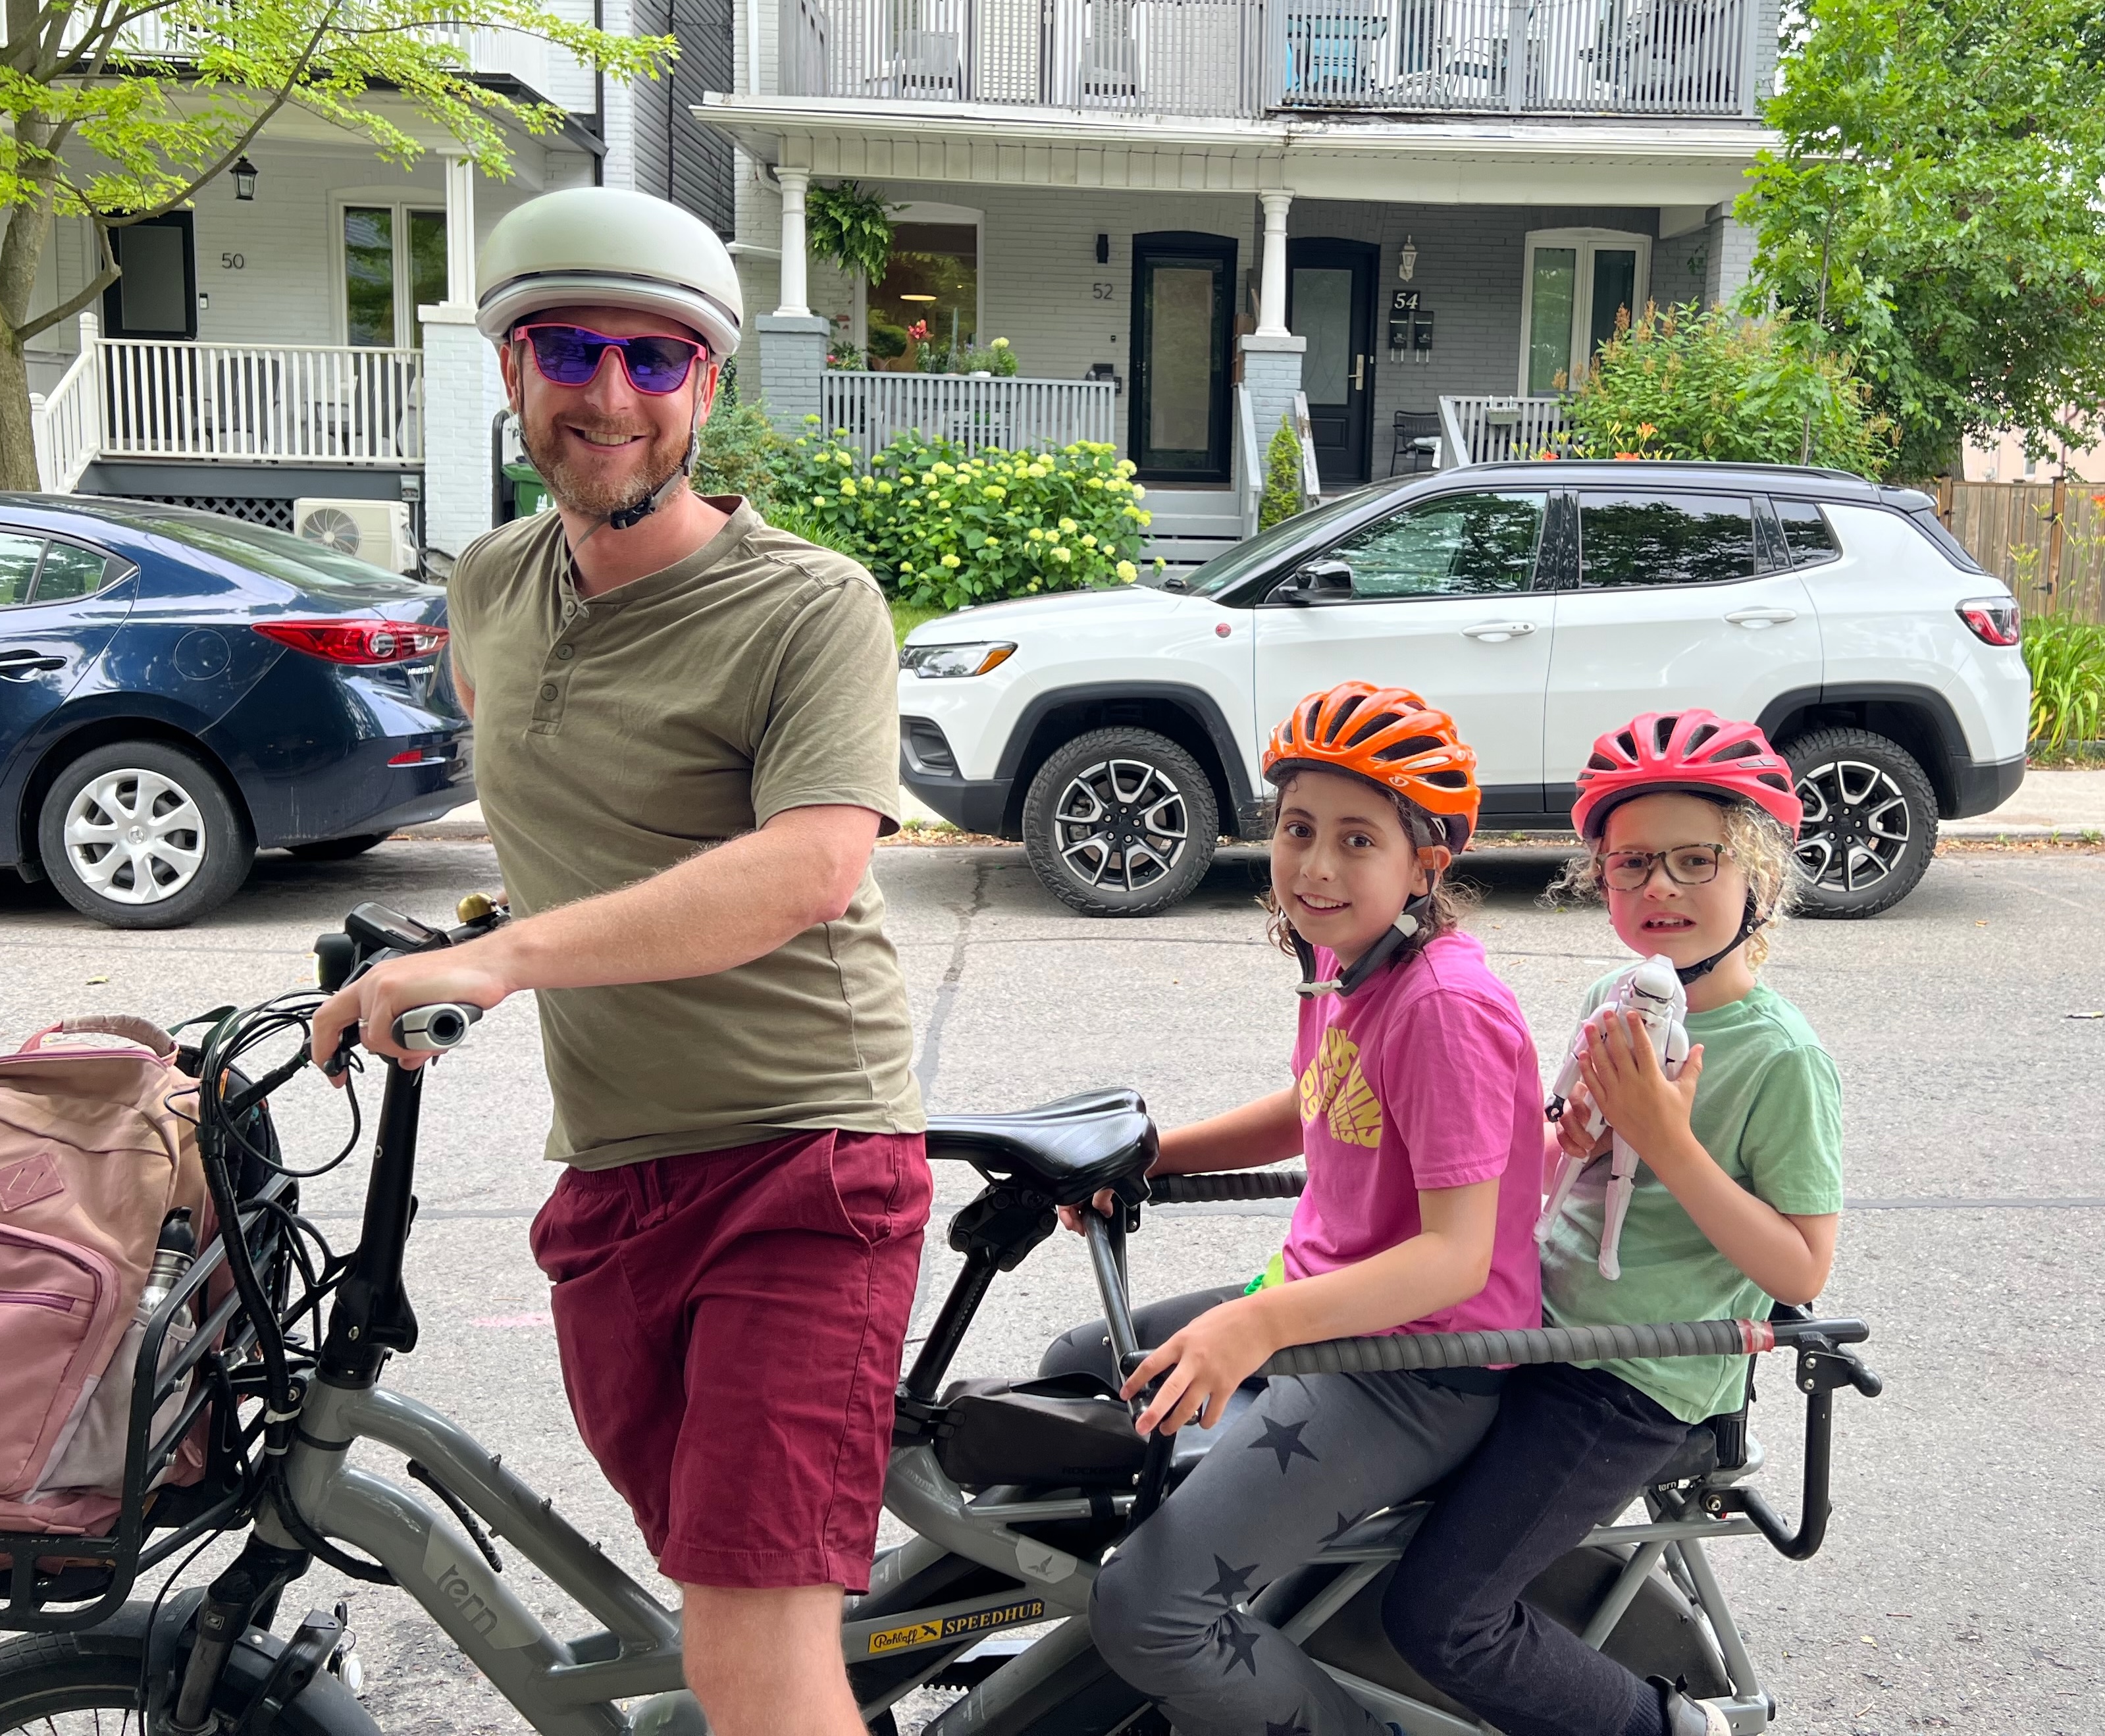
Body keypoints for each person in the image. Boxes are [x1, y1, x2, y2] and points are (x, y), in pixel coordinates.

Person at [309, 186, 928, 1736]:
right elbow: (560, 821)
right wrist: (451, 946)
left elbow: (812, 864)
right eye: (569, 351)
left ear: (706, 386)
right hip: (614, 1170)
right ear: (510, 369)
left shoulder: (809, 605)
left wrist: (511, 958)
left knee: (747, 1649)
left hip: (805, 1159)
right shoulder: (490, 590)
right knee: (696, 1600)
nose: (608, 395)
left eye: (654, 362)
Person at [1045, 682, 1547, 1736]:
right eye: (1297, 829)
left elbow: (1457, 1258)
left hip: (1417, 1367)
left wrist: (1255, 1322)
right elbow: (1318, 1103)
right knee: (1073, 1369)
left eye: (1357, 839)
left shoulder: (1446, 1008)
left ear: (1427, 865)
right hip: (1319, 1310)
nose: (1315, 867)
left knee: (1148, 1611)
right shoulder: (1344, 959)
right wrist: (1149, 1155)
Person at [1383, 709, 1846, 1736]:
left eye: (1695, 860)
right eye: (1632, 862)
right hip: (1536, 1317)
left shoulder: (1781, 1059)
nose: (1660, 889)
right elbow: (1552, 1177)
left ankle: (1669, 1727)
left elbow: (1802, 1263)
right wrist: (1582, 1137)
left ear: (1756, 877)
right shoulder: (1613, 993)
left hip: (1636, 1375)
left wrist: (1667, 1142)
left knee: (1444, 1612)